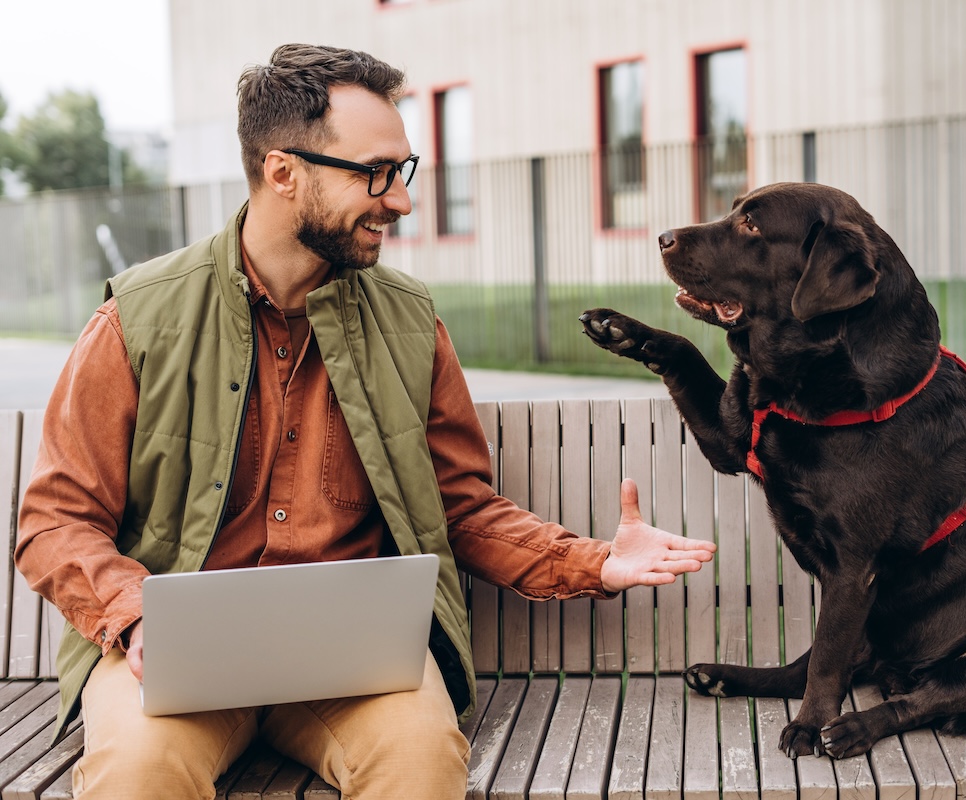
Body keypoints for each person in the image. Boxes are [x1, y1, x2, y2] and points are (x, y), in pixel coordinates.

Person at [15, 43, 716, 800]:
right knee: (136, 772)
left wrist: (595, 563)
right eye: (376, 173)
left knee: (420, 763)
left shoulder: (411, 322)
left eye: (403, 172)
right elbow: (55, 521)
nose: (402, 200)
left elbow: (460, 507)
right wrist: (134, 615)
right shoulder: (139, 319)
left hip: (352, 659)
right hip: (174, 655)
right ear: (285, 173)